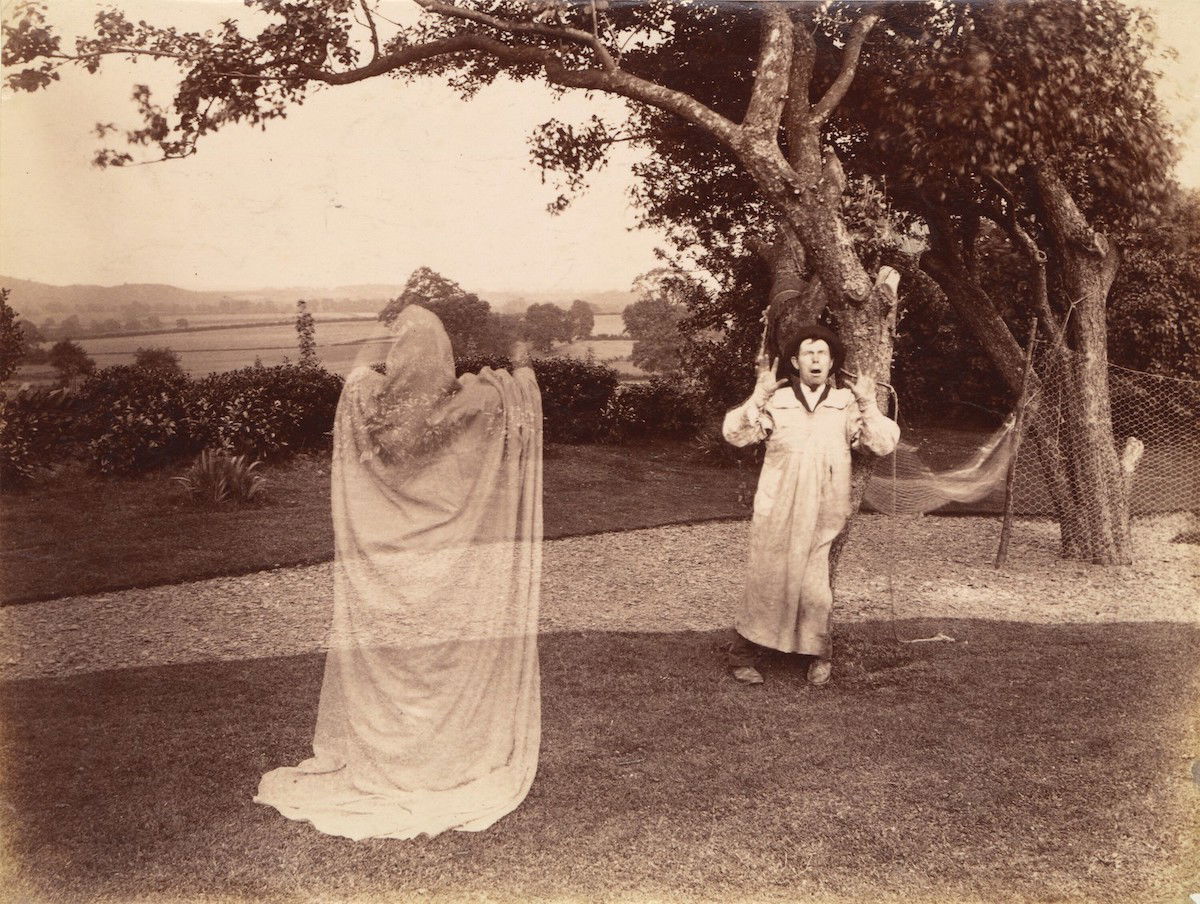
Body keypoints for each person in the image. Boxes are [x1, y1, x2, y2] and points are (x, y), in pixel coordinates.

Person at [255, 304, 543, 840]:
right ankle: (443, 761)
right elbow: (518, 396)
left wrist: (371, 362)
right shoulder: (477, 402)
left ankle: (395, 758)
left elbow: (359, 379)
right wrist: (519, 367)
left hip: (386, 564)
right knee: (445, 654)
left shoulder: (367, 403)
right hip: (451, 567)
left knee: (399, 655)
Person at [722, 323, 899, 686]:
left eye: (823, 354)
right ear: (795, 362)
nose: (815, 360)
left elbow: (882, 444)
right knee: (766, 576)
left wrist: (867, 401)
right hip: (778, 505)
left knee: (815, 585)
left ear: (832, 363)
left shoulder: (845, 405)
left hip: (824, 507)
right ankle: (743, 655)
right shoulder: (778, 401)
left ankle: (818, 653)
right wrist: (757, 396)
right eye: (808, 353)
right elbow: (735, 435)